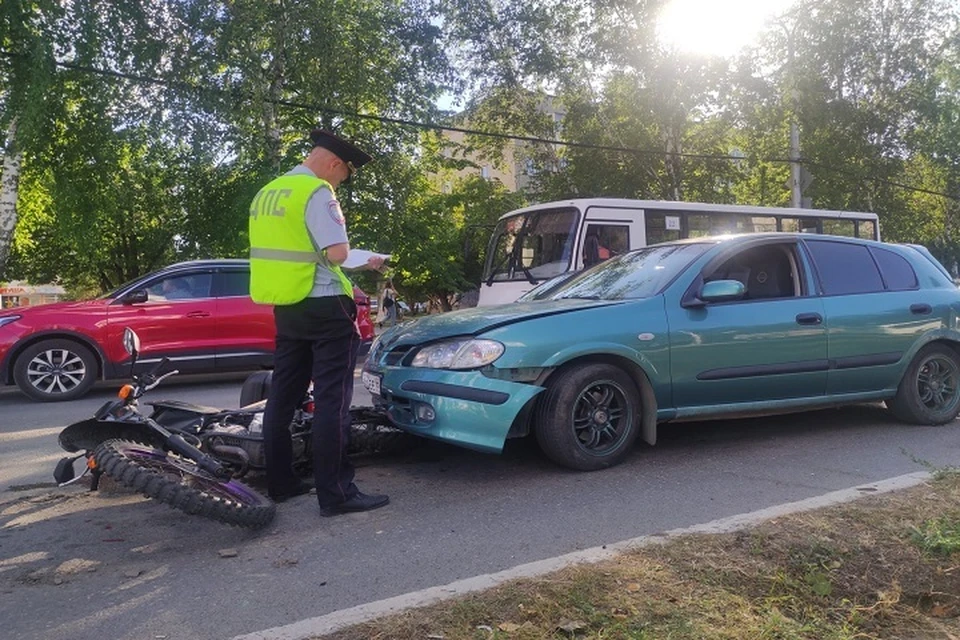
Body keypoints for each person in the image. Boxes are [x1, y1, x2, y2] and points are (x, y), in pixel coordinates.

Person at [248, 128, 389, 517]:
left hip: (288, 305)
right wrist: (367, 258)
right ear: (334, 163)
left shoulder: (269, 192)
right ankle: (337, 494)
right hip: (326, 305)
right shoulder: (317, 193)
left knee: (282, 396)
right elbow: (337, 253)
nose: (338, 183)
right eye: (342, 175)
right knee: (332, 401)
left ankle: (282, 483)